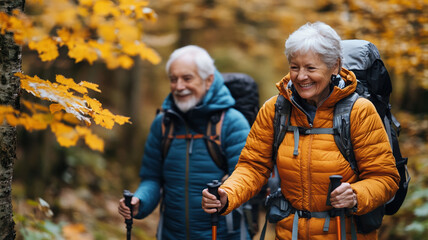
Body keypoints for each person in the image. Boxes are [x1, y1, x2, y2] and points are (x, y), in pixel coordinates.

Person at [202, 22, 400, 239]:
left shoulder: (359, 111)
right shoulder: (275, 109)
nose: (301, 76)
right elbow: (253, 166)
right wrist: (227, 194)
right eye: (294, 67)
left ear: (334, 66)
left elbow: (385, 178)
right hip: (289, 233)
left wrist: (355, 194)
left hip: (345, 233)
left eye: (310, 68)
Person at [118, 45, 251, 239]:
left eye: (187, 78)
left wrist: (225, 196)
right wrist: (140, 201)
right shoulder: (163, 124)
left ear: (209, 80)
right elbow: (152, 178)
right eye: (173, 79)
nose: (179, 86)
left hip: (222, 235)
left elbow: (247, 180)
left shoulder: (232, 123)